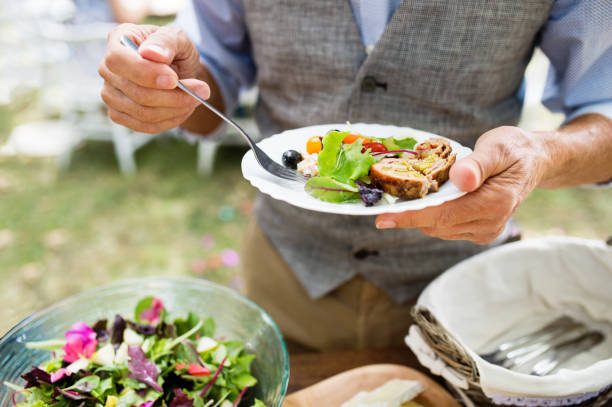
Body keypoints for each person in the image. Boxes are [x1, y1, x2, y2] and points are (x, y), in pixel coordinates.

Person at [98, 1, 612, 352]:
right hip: (288, 276)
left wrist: (540, 156)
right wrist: (166, 82)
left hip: (467, 295)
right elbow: (211, 77)